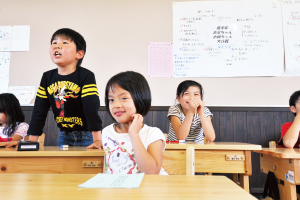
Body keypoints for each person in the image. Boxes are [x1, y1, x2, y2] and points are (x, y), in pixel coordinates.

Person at [27, 28, 102, 148]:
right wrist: (31, 142)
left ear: (79, 54)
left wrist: (97, 140)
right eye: (54, 43)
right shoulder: (47, 77)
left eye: (65, 43)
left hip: (88, 135)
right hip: (64, 135)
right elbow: (39, 111)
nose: (57, 46)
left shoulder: (86, 76)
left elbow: (91, 108)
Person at [102, 71, 167, 174]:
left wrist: (134, 134)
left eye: (124, 98)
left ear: (140, 99)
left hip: (147, 188)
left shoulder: (153, 134)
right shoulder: (107, 132)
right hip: (119, 188)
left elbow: (152, 173)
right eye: (111, 100)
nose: (116, 105)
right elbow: (108, 169)